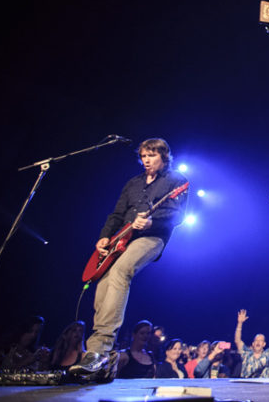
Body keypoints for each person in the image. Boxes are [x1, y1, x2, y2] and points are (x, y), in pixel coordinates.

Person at [70, 138, 188, 377]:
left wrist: (152, 220)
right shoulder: (133, 183)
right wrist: (105, 237)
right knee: (103, 286)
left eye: (152, 156)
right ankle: (107, 358)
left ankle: (98, 349)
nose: (146, 160)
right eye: (143, 156)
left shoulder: (176, 181)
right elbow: (116, 214)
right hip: (121, 238)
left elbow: (178, 216)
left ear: (164, 157)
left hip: (152, 238)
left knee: (122, 270)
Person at [234, 309, 269, 378]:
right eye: (256, 340)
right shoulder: (246, 353)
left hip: (262, 387)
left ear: (264, 344)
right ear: (253, 344)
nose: (258, 342)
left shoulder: (267, 354)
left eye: (261, 340)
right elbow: (237, 340)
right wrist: (239, 323)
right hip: (246, 386)